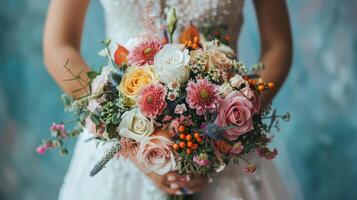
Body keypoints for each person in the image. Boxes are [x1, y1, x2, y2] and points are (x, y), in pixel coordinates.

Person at [43, 0, 293, 199]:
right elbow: (59, 44)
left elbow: (277, 47)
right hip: (121, 147)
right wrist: (128, 140)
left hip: (225, 146)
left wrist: (228, 127)